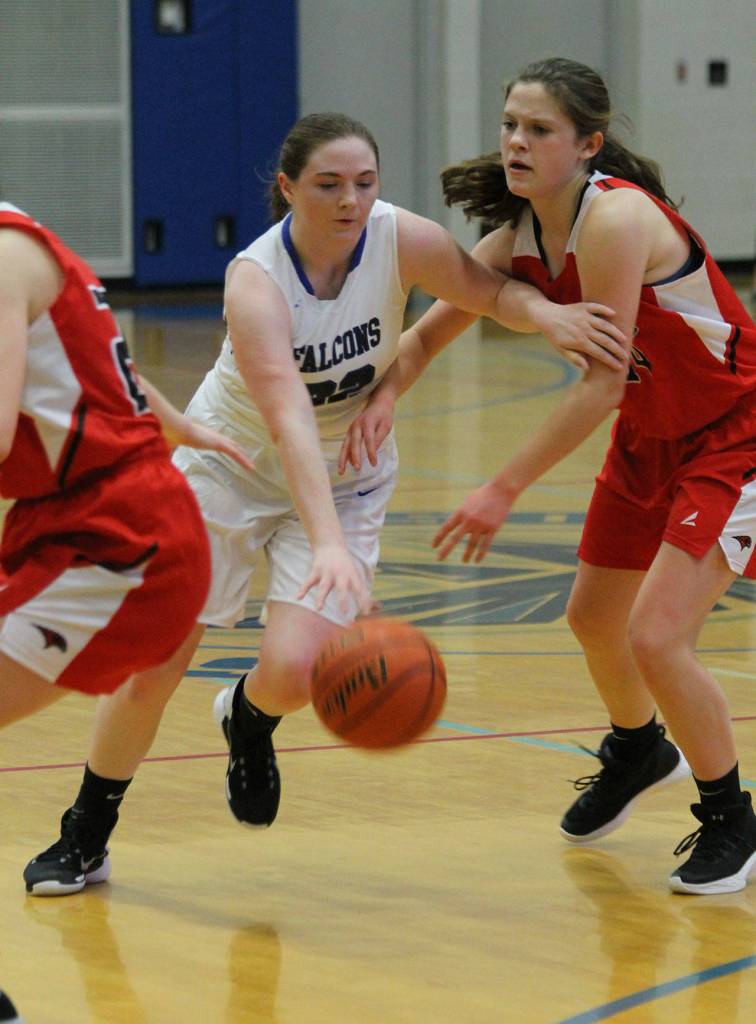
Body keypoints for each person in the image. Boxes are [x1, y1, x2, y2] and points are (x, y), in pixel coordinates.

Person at [22, 111, 627, 896]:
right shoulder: (257, 280)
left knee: (298, 668)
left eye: (365, 184)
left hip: (347, 471)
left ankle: (249, 717)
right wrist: (328, 543)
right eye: (329, 185)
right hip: (230, 468)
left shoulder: (397, 237)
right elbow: (288, 420)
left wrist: (547, 313)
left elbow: (484, 291)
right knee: (153, 666)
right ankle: (86, 832)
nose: (351, 201)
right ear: (288, 188)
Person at [340, 59, 756, 895]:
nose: (516, 143)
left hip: (731, 436)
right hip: (652, 437)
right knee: (595, 618)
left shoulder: (616, 221)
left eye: (538, 130)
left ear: (588, 145)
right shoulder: (516, 241)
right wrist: (379, 401)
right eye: (509, 126)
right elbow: (423, 338)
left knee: (656, 634)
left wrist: (501, 487)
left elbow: (601, 383)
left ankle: (731, 820)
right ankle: (640, 751)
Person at [0, 202, 252, 841]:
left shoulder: (5, 257)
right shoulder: (23, 244)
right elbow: (96, 359)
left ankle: (88, 830)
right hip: (82, 519)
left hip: (123, 540)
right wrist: (179, 424)